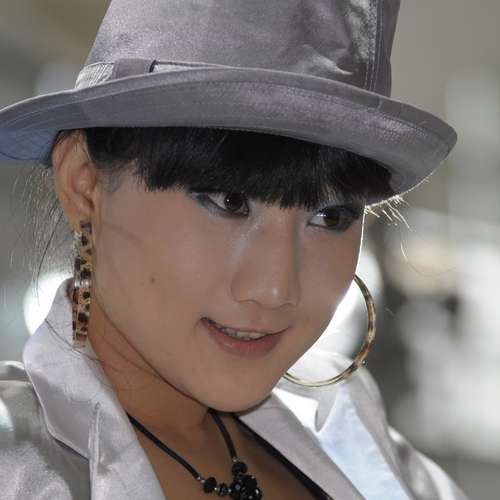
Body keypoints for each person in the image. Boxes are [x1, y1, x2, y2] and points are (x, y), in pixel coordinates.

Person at [0, 1, 469, 499]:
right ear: (84, 183)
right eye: (229, 202)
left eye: (330, 217)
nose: (275, 289)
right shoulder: (16, 468)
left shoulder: (368, 451)